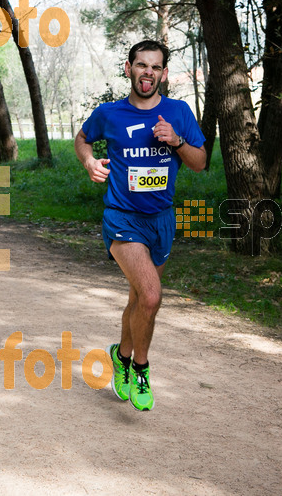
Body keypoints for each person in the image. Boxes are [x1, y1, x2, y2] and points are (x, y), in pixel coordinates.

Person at [74, 40, 206, 411]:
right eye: (141, 65)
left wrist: (176, 141)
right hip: (122, 217)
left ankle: (120, 355)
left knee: (137, 299)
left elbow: (199, 162)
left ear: (163, 74)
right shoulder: (110, 114)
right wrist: (89, 161)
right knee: (151, 296)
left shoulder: (178, 113)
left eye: (155, 67)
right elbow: (82, 138)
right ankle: (141, 369)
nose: (148, 72)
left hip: (161, 221)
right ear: (129, 68)